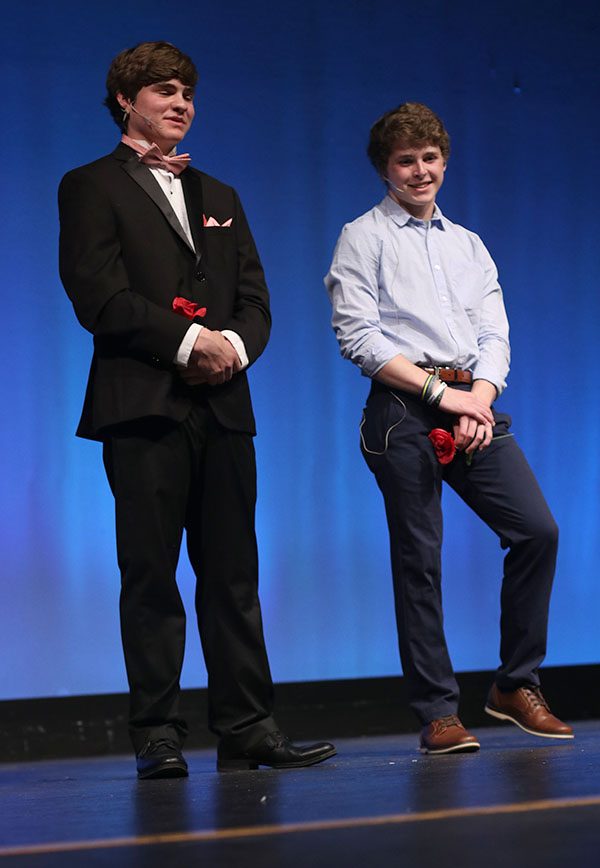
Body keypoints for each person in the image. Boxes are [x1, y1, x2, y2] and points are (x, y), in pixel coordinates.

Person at [59, 41, 335, 779]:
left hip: (223, 409)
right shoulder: (89, 186)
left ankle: (248, 724)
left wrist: (232, 350)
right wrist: (187, 342)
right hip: (143, 407)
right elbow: (99, 296)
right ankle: (158, 732)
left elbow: (256, 301)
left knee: (234, 574)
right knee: (151, 576)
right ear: (126, 99)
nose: (181, 103)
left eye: (188, 93)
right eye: (165, 91)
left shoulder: (222, 196)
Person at [325, 102, 572, 755]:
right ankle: (438, 711)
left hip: (471, 401)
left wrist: (480, 400)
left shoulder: (468, 245)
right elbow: (358, 337)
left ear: (444, 161)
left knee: (537, 531)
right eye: (406, 159)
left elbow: (494, 333)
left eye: (429, 157)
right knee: (420, 559)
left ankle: (514, 684)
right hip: (403, 407)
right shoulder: (363, 236)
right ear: (386, 168)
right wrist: (443, 395)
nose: (420, 169)